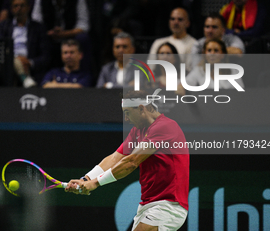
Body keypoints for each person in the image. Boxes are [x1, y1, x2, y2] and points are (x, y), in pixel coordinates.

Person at [66, 88, 189, 231]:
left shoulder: (165, 127)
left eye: (127, 113)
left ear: (142, 108)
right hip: (147, 205)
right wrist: (86, 179)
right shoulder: (137, 130)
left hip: (169, 204)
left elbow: (131, 162)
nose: (126, 119)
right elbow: (115, 158)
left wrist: (96, 183)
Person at [31, 0, 91, 70]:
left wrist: (64, 34)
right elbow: (36, 25)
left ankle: (83, 74)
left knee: (83, 38)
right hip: (48, 38)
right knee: (36, 39)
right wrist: (49, 33)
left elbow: (84, 26)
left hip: (71, 37)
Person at [0, 0, 49, 87]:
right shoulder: (4, 26)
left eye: (22, 5)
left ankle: (22, 74)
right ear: (11, 9)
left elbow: (45, 56)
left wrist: (30, 62)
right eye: (15, 6)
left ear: (28, 7)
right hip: (8, 63)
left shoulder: (38, 28)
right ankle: (24, 78)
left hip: (29, 65)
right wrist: (16, 60)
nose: (18, 8)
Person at [176, 38, 244, 96]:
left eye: (216, 50)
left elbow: (241, 94)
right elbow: (182, 85)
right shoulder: (199, 71)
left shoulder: (233, 71)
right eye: (209, 50)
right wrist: (180, 88)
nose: (212, 53)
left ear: (222, 55)